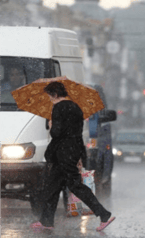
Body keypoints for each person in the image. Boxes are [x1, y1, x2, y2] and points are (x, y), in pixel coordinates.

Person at [30, 81, 115, 232]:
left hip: (62, 153)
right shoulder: (76, 108)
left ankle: (104, 215)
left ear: (55, 94)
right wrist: (79, 156)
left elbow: (57, 133)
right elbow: (77, 134)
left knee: (75, 186)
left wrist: (51, 125)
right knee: (52, 187)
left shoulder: (58, 108)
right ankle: (46, 221)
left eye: (50, 96)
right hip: (71, 151)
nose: (50, 99)